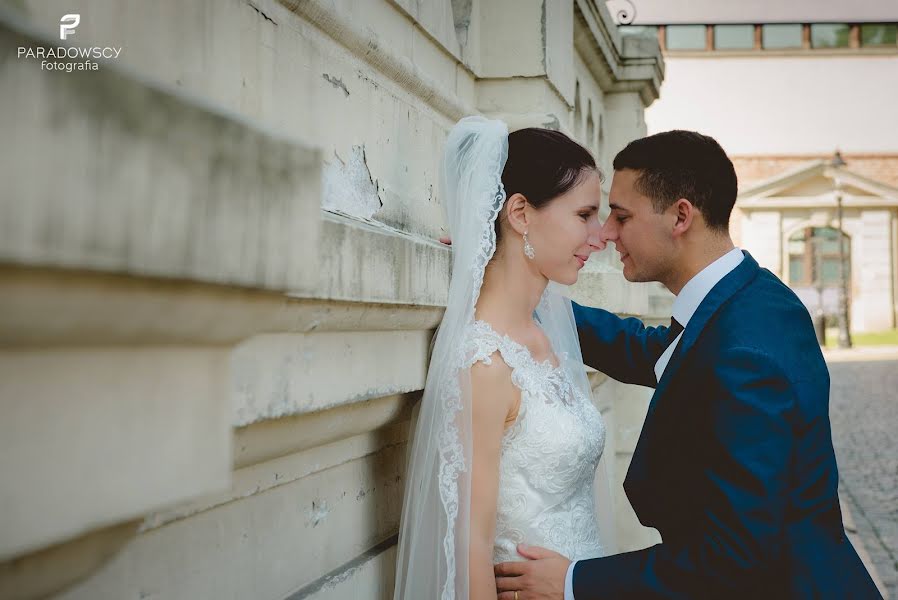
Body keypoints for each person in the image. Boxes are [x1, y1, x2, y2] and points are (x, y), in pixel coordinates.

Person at [493, 130, 883, 599]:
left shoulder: (744, 351)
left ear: (680, 216)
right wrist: (512, 275)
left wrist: (575, 581)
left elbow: (734, 553)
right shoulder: (749, 300)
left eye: (621, 216)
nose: (607, 234)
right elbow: (653, 352)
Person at [393, 116, 616, 600]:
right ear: (519, 213)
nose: (600, 236)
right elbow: (468, 542)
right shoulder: (485, 363)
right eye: (585, 215)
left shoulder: (545, 335)